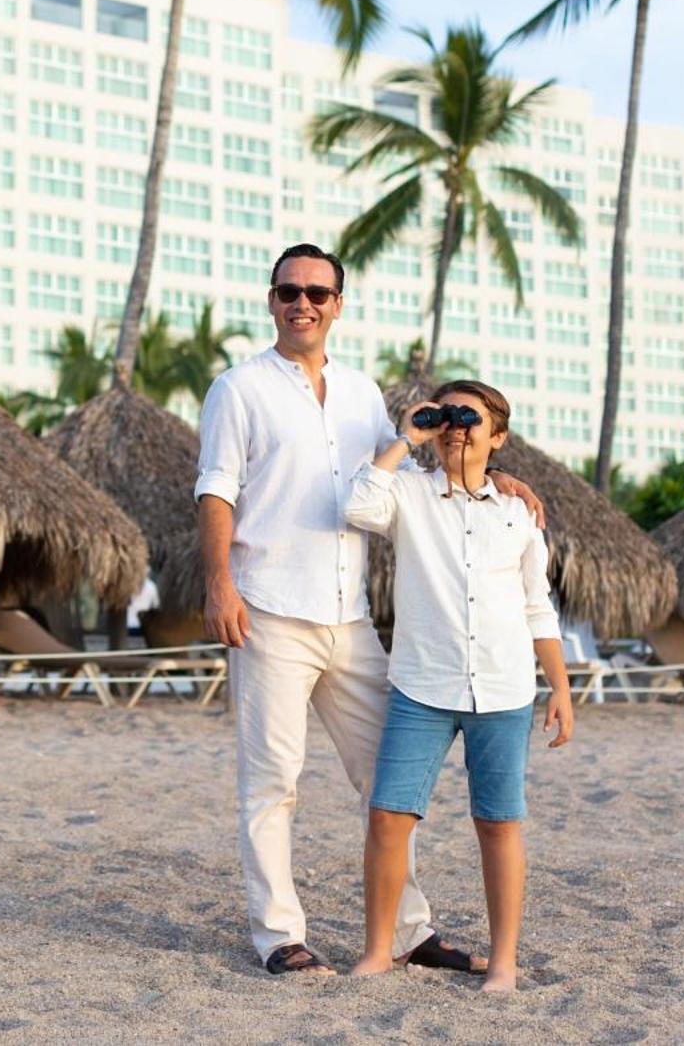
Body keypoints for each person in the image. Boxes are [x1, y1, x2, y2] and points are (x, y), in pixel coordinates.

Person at [195, 244, 546, 977]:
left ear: (337, 304)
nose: (304, 303)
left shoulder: (361, 394)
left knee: (387, 786)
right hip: (268, 607)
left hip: (349, 616)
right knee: (272, 779)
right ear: (272, 301)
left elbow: (414, 473)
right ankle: (278, 934)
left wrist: (496, 471)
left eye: (318, 292)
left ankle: (410, 930)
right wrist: (219, 583)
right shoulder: (238, 388)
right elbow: (217, 489)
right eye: (290, 291)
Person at [344, 380, 573, 994]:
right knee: (389, 816)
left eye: (470, 419)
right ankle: (377, 951)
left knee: (498, 823)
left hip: (503, 690)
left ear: (497, 437)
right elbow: (357, 505)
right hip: (422, 686)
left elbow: (537, 607)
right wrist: (406, 438)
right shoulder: (410, 493)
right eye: (448, 418)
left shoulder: (518, 511)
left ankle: (503, 964)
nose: (456, 428)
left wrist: (561, 688)